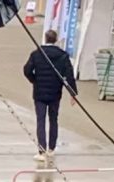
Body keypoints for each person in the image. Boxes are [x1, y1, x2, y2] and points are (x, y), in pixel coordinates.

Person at [23, 30, 78, 162]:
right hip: (55, 92)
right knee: (54, 119)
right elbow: (69, 75)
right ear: (56, 40)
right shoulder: (63, 56)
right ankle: (51, 148)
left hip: (39, 92)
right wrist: (73, 93)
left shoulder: (37, 54)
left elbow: (26, 70)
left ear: (45, 39)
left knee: (40, 120)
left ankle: (41, 150)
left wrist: (34, 80)